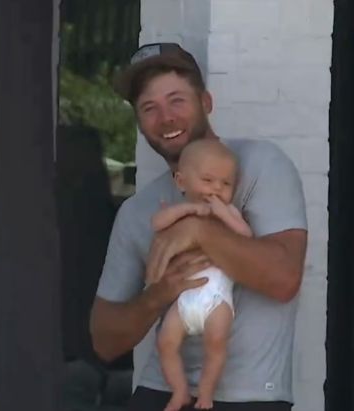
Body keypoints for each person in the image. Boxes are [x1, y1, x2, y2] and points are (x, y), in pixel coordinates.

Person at [89, 43, 307, 411]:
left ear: (206, 102)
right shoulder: (138, 210)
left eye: (177, 100)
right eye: (149, 108)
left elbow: (284, 279)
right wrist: (158, 294)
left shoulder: (263, 165)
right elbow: (105, 341)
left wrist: (199, 232)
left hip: (249, 395)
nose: (166, 118)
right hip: (163, 390)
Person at [149, 139, 253, 410]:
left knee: (215, 344)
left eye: (226, 184)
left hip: (215, 297)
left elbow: (246, 236)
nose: (217, 189)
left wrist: (225, 215)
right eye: (208, 180)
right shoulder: (179, 212)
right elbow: (157, 223)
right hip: (184, 301)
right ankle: (180, 391)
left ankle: (205, 395)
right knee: (165, 342)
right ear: (182, 182)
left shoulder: (227, 213)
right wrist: (191, 209)